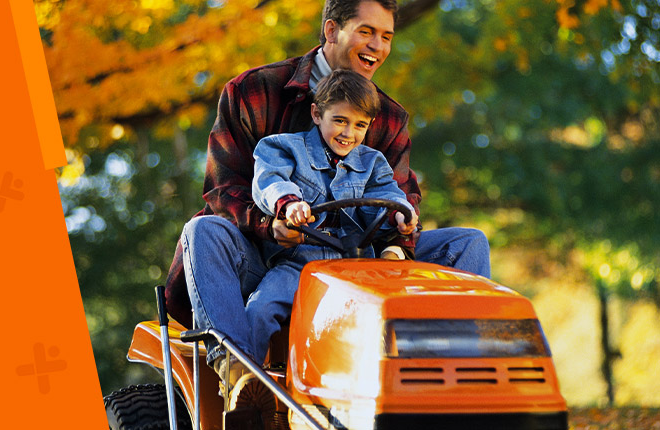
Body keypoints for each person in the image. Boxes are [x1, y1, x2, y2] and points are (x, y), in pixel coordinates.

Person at [167, 0, 491, 387]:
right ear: (332, 30)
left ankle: (451, 371)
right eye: (366, 32)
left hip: (360, 257)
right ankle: (241, 375)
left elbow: (398, 194)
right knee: (202, 231)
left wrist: (398, 239)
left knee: (467, 242)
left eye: (386, 36)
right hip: (273, 257)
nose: (378, 46)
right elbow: (223, 190)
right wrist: (275, 225)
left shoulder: (387, 117)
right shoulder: (254, 91)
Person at [247, 69, 419, 370]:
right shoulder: (283, 147)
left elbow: (388, 194)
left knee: (397, 314)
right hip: (300, 262)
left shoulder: (372, 162)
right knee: (260, 308)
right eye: (340, 120)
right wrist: (289, 204)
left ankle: (403, 383)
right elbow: (270, 181)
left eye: (359, 125)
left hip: (358, 266)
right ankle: (247, 381)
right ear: (316, 113)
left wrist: (398, 214)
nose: (348, 133)